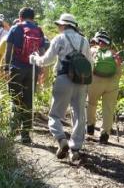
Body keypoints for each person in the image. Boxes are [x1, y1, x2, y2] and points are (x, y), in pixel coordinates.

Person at [31, 13, 91, 163]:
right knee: (79, 115)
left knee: (55, 115)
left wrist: (34, 59)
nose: (58, 28)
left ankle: (61, 139)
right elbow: (90, 63)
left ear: (64, 25)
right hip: (82, 81)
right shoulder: (85, 41)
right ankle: (75, 148)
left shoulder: (60, 38)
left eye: (59, 25)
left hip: (64, 79)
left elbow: (47, 60)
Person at [4, 7, 46, 144]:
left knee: (15, 98)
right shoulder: (39, 31)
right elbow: (42, 51)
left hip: (17, 68)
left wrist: (6, 68)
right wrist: (40, 69)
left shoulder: (16, 28)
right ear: (33, 18)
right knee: (28, 101)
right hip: (32, 69)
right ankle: (25, 134)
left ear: (20, 16)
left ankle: (13, 128)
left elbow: (9, 49)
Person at [86, 30, 122, 145]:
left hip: (95, 82)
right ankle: (104, 134)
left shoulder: (92, 51)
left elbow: (89, 67)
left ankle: (90, 126)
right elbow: (120, 72)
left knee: (91, 103)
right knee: (108, 109)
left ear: (97, 41)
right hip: (112, 84)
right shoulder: (114, 54)